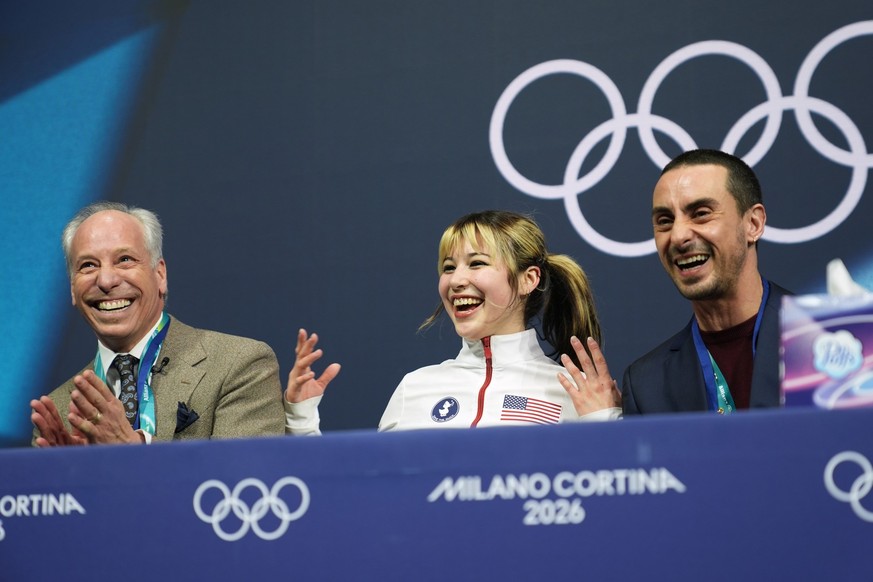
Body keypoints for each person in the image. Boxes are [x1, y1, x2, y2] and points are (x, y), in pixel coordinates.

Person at [283, 210, 620, 433]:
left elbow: (608, 498)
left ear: (528, 279)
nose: (456, 281)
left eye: (476, 264)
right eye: (448, 267)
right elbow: (365, 500)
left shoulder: (574, 392)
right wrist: (301, 418)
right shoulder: (415, 388)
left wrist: (603, 421)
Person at [30, 201, 285, 445]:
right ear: (73, 289)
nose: (106, 280)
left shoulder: (239, 365)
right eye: (88, 265)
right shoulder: (59, 410)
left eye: (125, 260)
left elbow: (243, 481)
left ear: (160, 274)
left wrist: (135, 452)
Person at [622, 149, 789, 414]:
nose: (678, 236)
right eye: (665, 221)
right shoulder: (646, 384)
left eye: (700, 213)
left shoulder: (824, 335)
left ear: (753, 224)